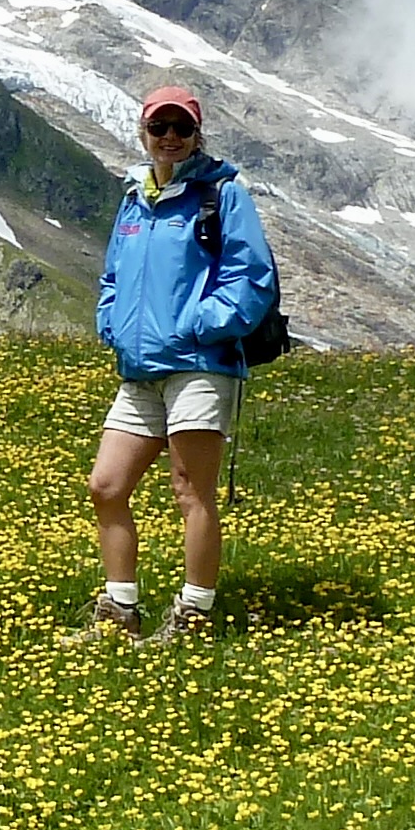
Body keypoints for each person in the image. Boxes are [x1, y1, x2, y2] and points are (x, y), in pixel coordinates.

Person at [85, 85, 278, 643]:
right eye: (158, 128)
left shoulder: (223, 195)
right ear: (144, 132)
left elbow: (252, 276)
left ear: (197, 134)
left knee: (190, 491)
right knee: (106, 485)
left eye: (181, 128)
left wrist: (203, 324)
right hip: (140, 368)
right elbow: (115, 274)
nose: (169, 137)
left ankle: (194, 616)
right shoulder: (133, 197)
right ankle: (120, 612)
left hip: (200, 365)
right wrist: (110, 321)